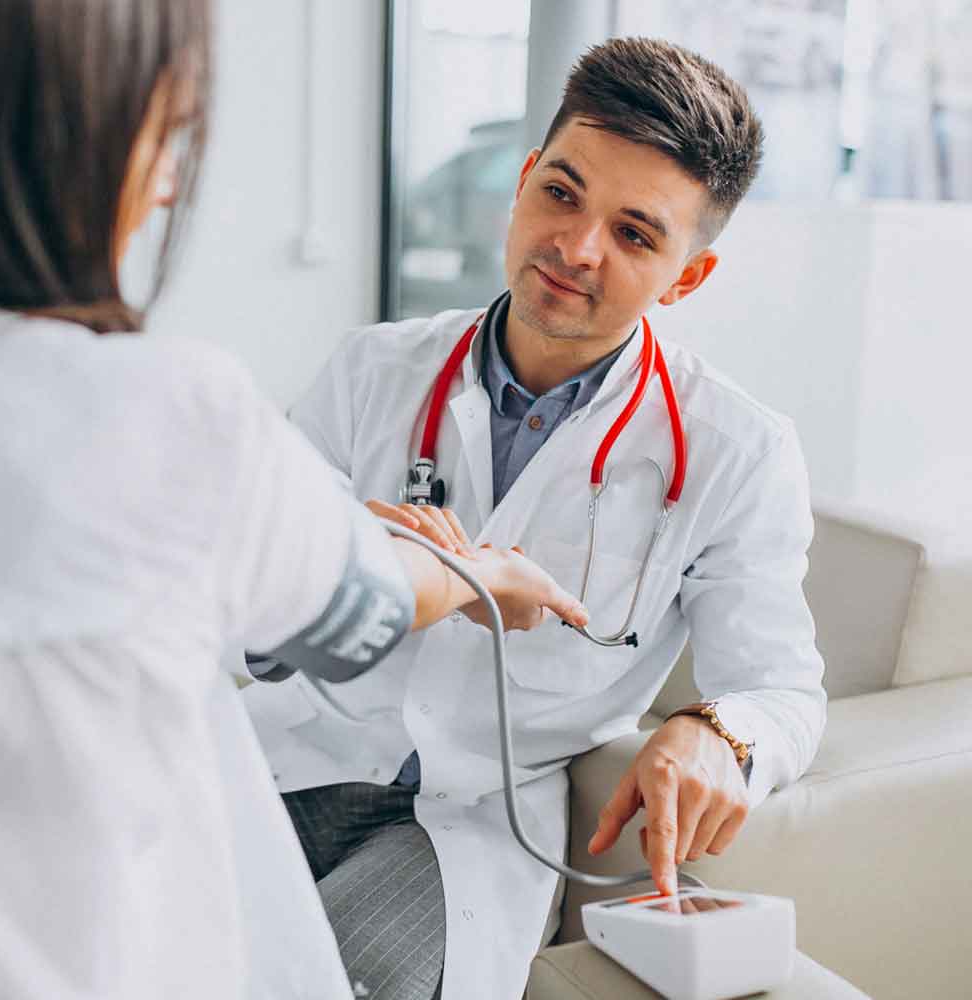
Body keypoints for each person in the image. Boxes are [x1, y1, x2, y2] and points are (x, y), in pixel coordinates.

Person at [0, 2, 590, 998]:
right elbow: (365, 607)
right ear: (36, 113)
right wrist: (475, 572)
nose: (165, 184)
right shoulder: (156, 414)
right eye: (163, 130)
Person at [241, 37, 827, 1000]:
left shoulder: (738, 451)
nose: (576, 247)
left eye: (634, 234)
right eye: (561, 193)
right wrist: (368, 574)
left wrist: (718, 732)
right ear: (522, 182)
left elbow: (783, 691)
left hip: (463, 821)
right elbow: (247, 606)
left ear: (686, 277)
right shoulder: (371, 370)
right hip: (287, 760)